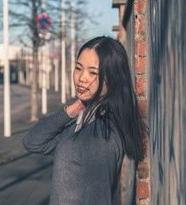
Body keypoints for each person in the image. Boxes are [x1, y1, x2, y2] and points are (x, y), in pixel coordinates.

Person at [23, 36, 146, 205]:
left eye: (93, 72)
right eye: (78, 68)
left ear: (112, 78)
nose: (82, 77)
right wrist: (72, 110)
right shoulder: (86, 121)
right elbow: (33, 142)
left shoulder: (100, 136)